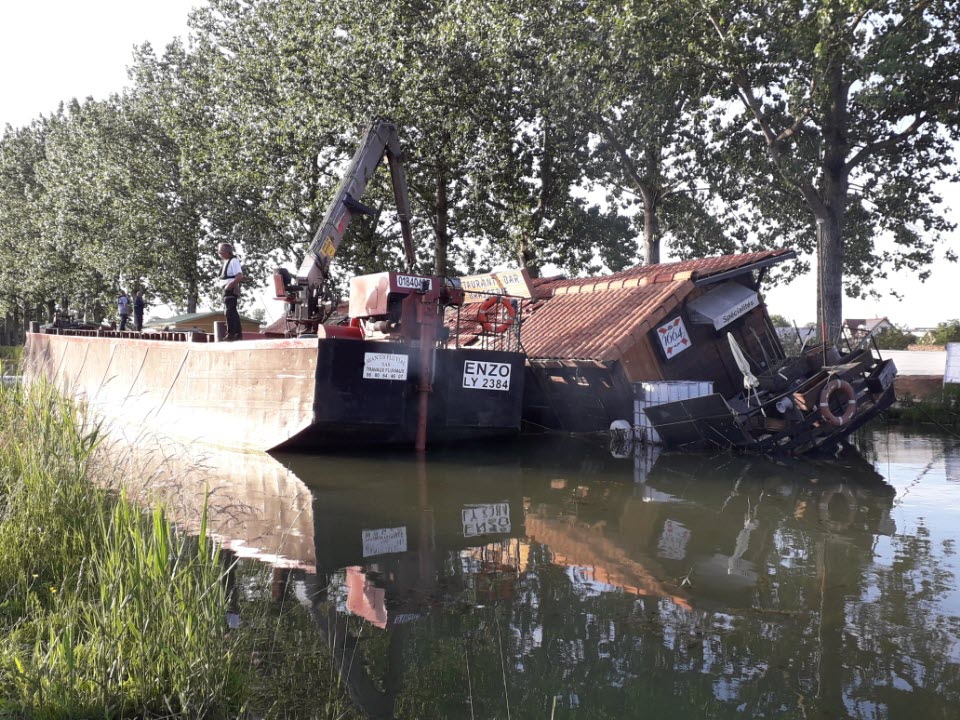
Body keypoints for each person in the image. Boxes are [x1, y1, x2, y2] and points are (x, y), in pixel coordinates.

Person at [217, 243, 244, 340]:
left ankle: (232, 334)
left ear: (227, 252)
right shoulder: (226, 261)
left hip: (231, 288)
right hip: (226, 289)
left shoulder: (233, 261)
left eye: (221, 252)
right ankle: (237, 334)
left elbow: (240, 275)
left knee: (229, 311)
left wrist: (230, 285)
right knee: (231, 311)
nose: (219, 254)